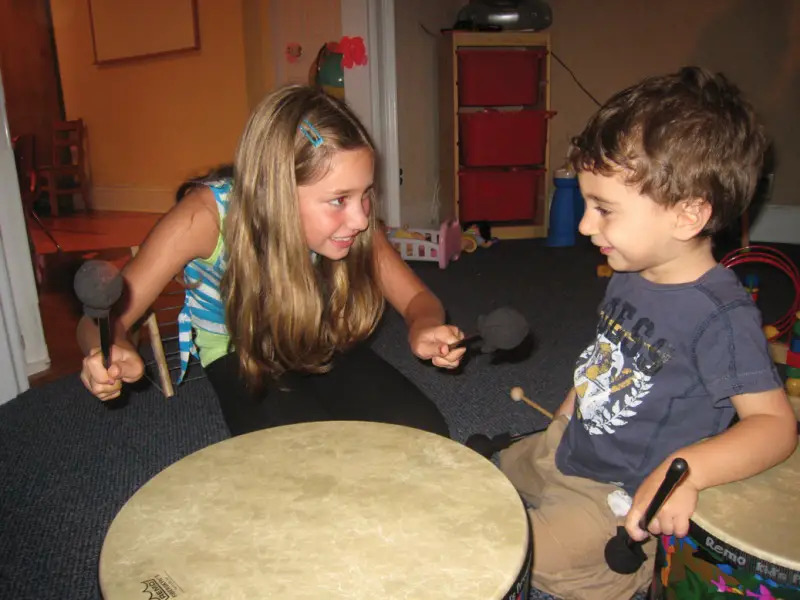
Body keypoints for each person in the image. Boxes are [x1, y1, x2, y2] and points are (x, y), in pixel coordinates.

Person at [498, 67, 797, 599]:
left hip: (620, 490)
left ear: (687, 216)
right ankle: (518, 462)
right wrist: (566, 414)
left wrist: (686, 475)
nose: (587, 226)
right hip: (571, 443)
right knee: (486, 476)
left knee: (509, 551)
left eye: (604, 210)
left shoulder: (720, 316)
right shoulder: (632, 271)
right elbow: (603, 360)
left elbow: (775, 426)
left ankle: (629, 570)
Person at [78, 85, 465, 437]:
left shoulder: (356, 221)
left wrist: (425, 325)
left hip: (318, 335)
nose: (362, 219)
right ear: (276, 192)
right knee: (307, 464)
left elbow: (418, 300)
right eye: (338, 199)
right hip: (242, 351)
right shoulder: (202, 218)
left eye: (365, 194)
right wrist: (108, 350)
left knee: (425, 436)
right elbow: (101, 319)